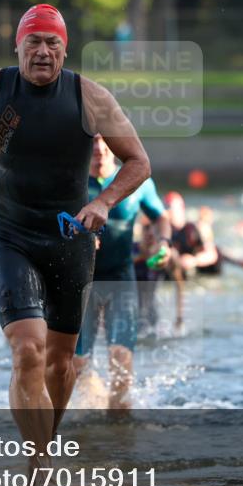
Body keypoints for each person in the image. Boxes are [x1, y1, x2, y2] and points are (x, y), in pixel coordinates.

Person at [0, 4, 151, 486]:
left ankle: (42, 452)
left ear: (65, 49)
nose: (42, 51)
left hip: (69, 239)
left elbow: (139, 162)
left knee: (62, 366)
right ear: (17, 47)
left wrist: (102, 202)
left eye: (52, 43)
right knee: (27, 351)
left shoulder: (90, 98)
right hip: (10, 234)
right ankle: (38, 469)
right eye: (33, 42)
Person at [74, 135, 172, 410]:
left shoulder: (134, 181)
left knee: (121, 358)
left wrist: (165, 244)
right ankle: (93, 408)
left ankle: (118, 423)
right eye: (92, 141)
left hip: (120, 277)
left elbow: (161, 217)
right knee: (78, 363)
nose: (99, 148)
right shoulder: (74, 180)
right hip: (82, 280)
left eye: (105, 141)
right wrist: (79, 237)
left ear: (116, 146)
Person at [133, 214, 185, 337]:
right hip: (126, 311)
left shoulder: (167, 257)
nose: (150, 233)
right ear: (140, 229)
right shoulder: (129, 251)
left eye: (155, 229)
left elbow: (180, 285)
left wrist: (179, 317)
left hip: (151, 316)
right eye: (146, 228)